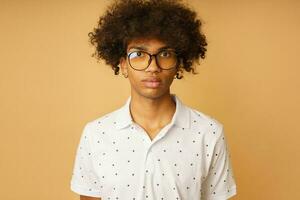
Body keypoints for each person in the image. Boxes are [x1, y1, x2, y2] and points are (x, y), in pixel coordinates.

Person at [70, 0, 237, 199]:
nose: (152, 67)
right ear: (123, 65)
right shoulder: (96, 134)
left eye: (165, 54)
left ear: (178, 63)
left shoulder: (209, 133)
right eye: (139, 54)